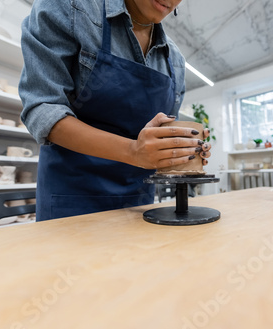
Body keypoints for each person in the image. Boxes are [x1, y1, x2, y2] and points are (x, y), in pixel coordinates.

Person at [19, 0, 211, 221]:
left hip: (138, 205)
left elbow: (164, 130)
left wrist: (181, 150)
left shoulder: (175, 61)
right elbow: (43, 108)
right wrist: (132, 151)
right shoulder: (69, 8)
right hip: (71, 199)